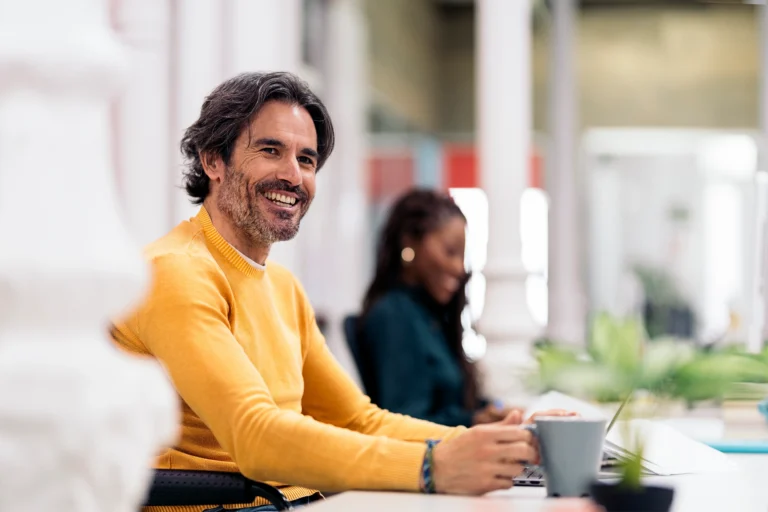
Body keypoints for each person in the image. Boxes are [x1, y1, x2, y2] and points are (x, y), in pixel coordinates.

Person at [111, 71, 566, 512]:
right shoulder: (174, 273)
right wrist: (429, 467)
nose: (294, 176)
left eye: (306, 160)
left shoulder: (283, 287)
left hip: (298, 500)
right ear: (213, 161)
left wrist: (500, 444)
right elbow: (255, 435)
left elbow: (356, 420)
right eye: (271, 150)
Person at [357, 189, 514, 427]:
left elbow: (452, 402)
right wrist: (474, 421)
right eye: (450, 252)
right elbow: (405, 419)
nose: (460, 268)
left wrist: (496, 411)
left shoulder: (430, 316)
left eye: (462, 256)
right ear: (409, 243)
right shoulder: (394, 316)